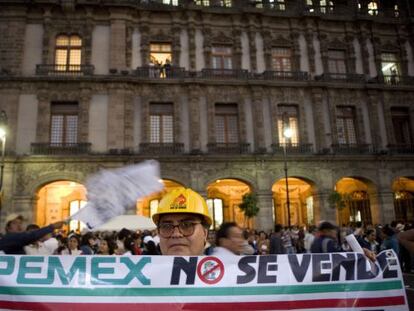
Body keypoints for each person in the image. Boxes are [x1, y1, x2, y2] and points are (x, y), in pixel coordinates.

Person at [152, 188, 212, 256]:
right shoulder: (145, 266)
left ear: (205, 234)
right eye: (166, 226)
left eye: (187, 225)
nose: (176, 234)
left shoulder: (223, 266)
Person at [0, 213, 65, 255]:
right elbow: (31, 236)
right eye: (15, 223)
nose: (19, 226)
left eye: (20, 223)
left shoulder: (20, 242)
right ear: (8, 227)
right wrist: (52, 226)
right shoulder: (9, 238)